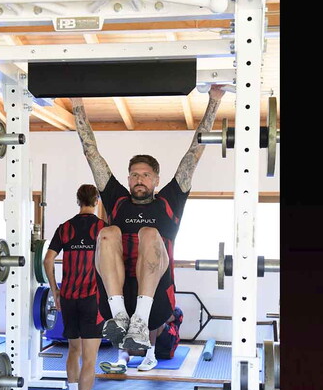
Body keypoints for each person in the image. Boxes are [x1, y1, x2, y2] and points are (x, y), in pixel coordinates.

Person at [69, 86, 226, 373]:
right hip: (115, 294)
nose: (139, 179)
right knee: (108, 232)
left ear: (156, 180)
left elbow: (195, 151)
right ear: (128, 179)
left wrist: (214, 101)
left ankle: (139, 323)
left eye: (145, 175)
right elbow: (92, 154)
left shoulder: (170, 200)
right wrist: (77, 104)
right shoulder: (116, 199)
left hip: (155, 302)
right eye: (134, 175)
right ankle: (119, 319)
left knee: (149, 233)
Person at [43, 184, 107, 390]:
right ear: (97, 201)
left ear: (77, 200)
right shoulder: (102, 229)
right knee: (90, 358)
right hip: (92, 299)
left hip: (68, 298)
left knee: (73, 350)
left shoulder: (65, 228)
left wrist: (55, 290)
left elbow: (48, 259)